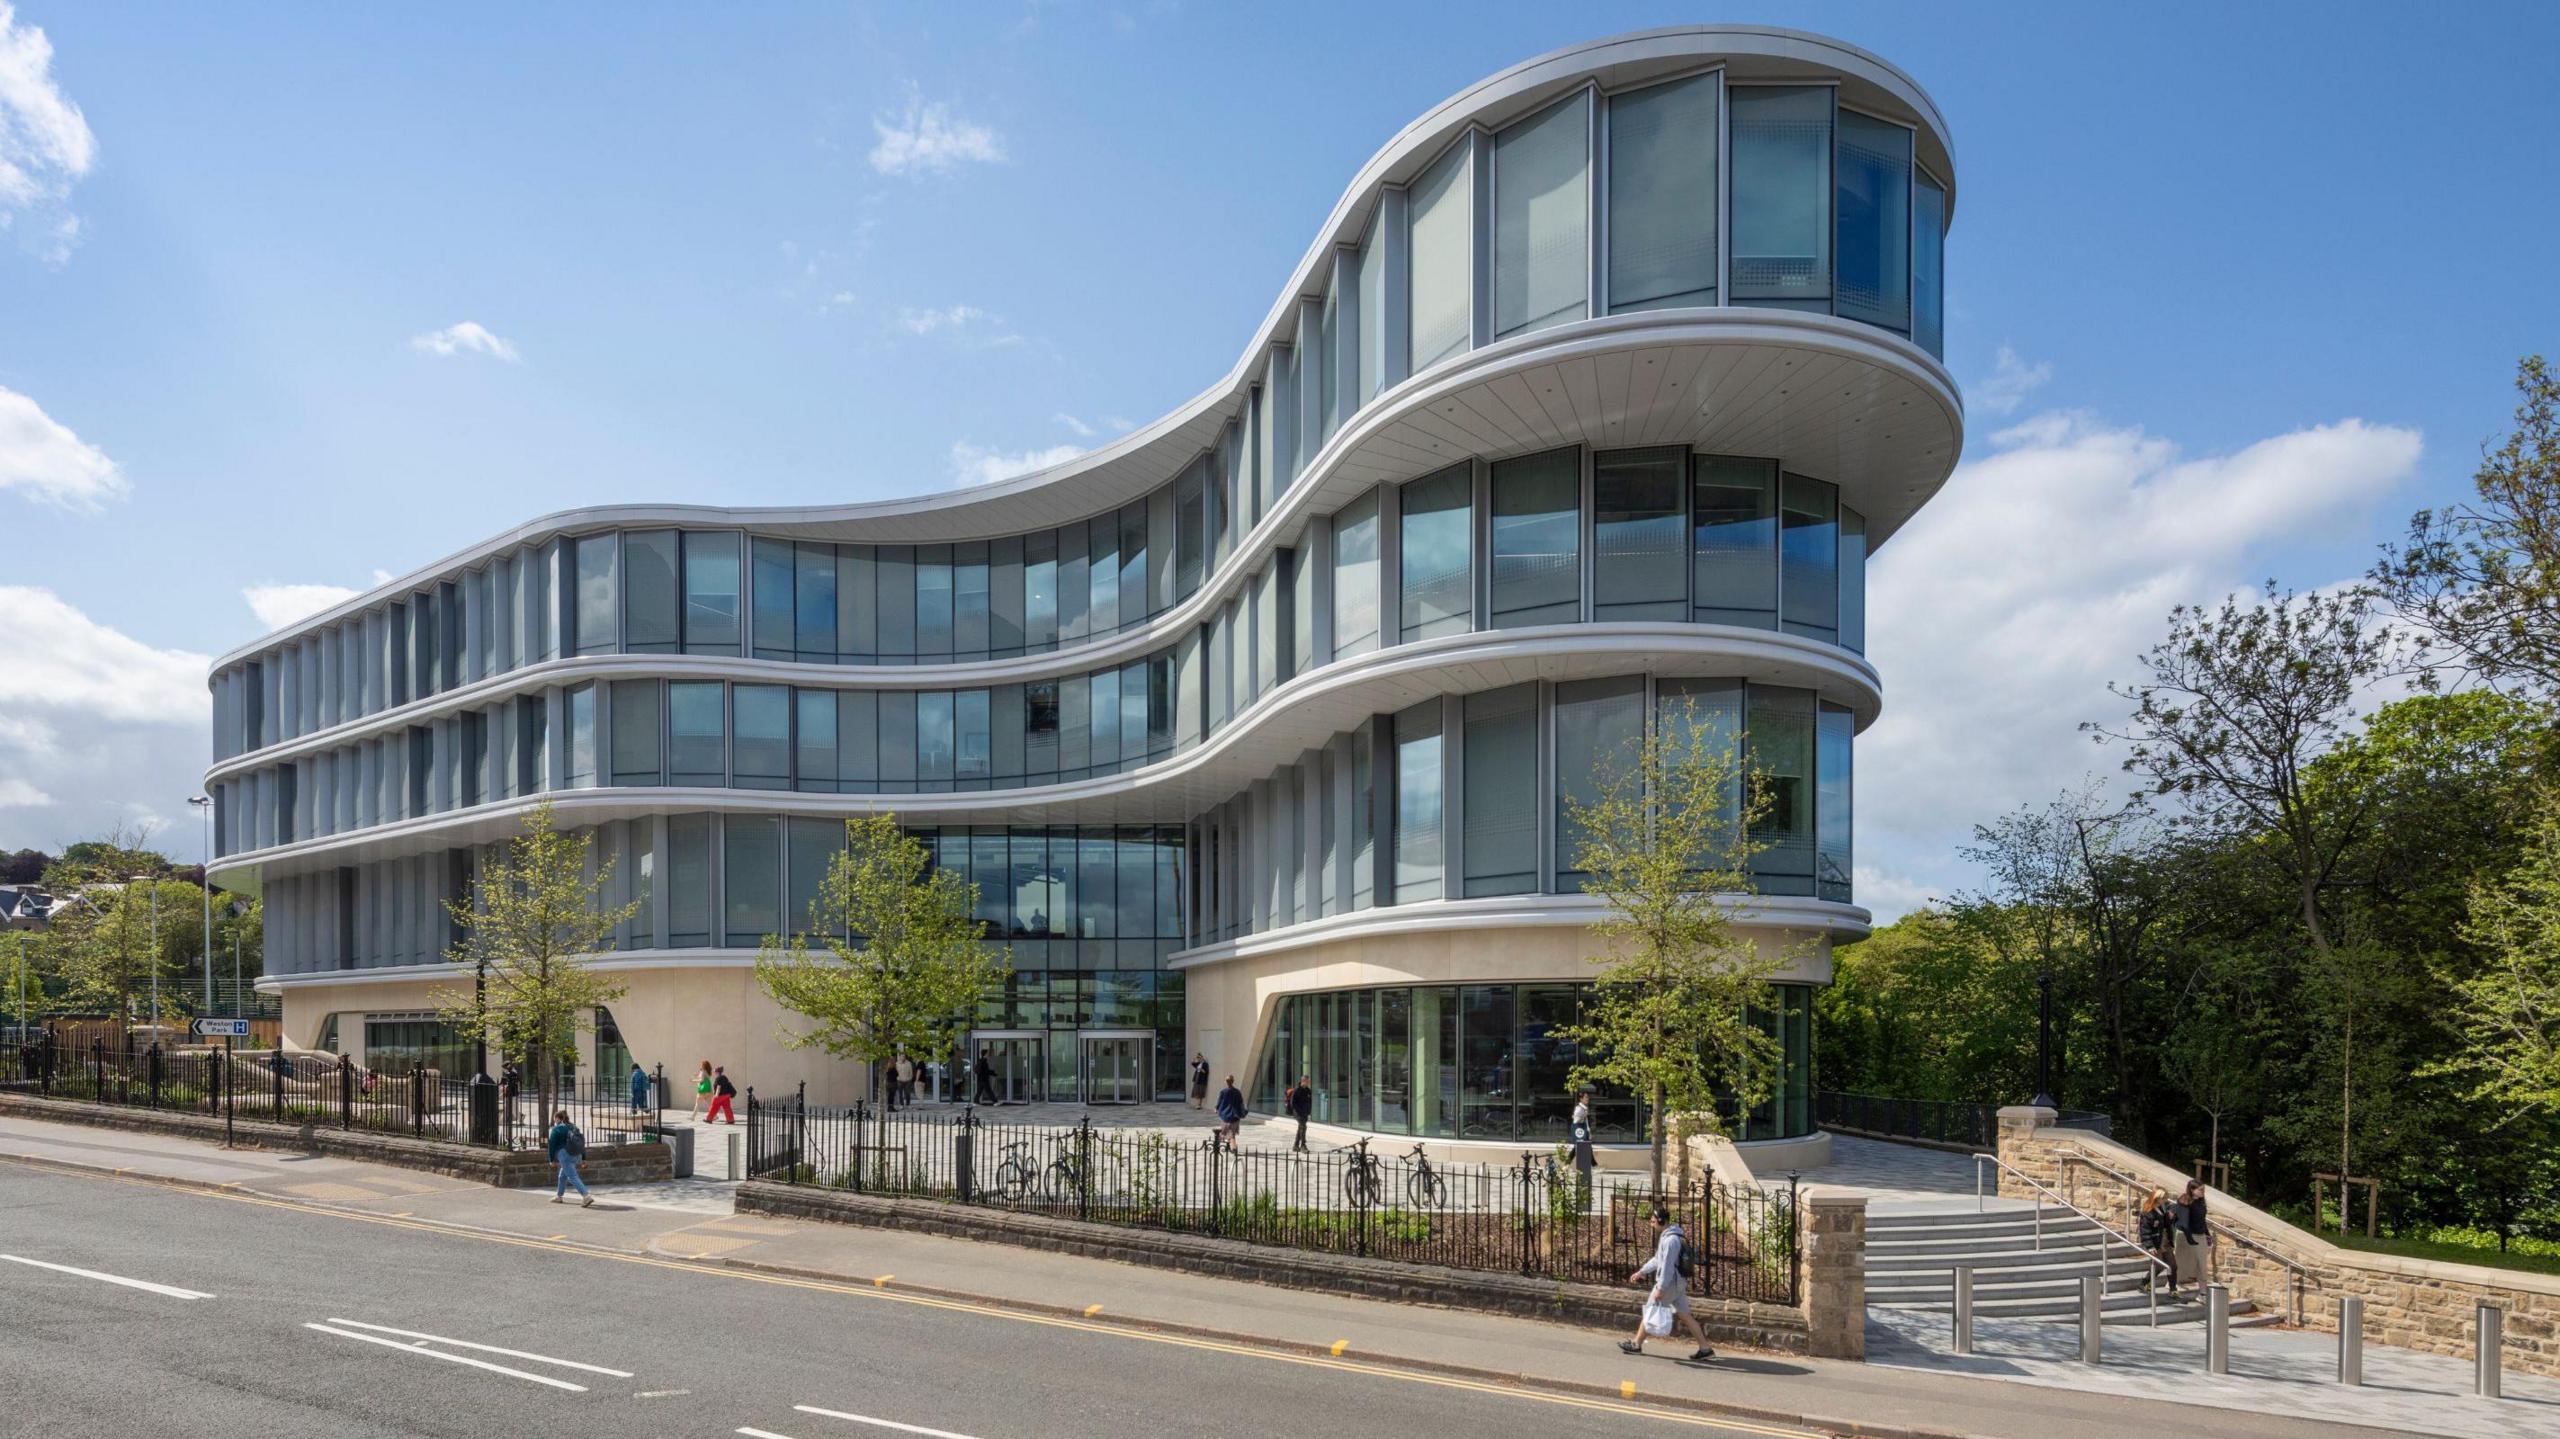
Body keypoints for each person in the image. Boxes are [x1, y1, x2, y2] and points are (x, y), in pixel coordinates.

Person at [1620, 1204, 1713, 1361]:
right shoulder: (1671, 1236)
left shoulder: (1670, 1241)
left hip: (1669, 1284)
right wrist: (1642, 1271)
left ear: (1661, 1221)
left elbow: (1667, 1267)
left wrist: (1661, 1288)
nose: (1651, 1224)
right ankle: (1705, 1348)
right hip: (1678, 1284)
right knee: (1686, 1316)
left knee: (1650, 1309)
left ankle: (1636, 1344)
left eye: (1653, 1221)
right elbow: (1658, 1259)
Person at [546, 1108, 594, 1207]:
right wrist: (584, 1158)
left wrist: (551, 1160)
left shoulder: (557, 1129)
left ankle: (586, 1196)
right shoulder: (574, 1127)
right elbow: (581, 1143)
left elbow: (552, 1145)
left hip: (565, 1155)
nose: (554, 1121)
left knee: (572, 1176)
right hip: (577, 1154)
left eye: (555, 1119)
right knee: (562, 1176)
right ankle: (559, 1196)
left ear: (558, 1118)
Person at [2175, 1178, 2214, 1293]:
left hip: (2199, 1235)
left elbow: (2202, 1220)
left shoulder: (2201, 1202)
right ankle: (2173, 1283)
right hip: (2186, 1235)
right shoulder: (2185, 1201)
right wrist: (2189, 1237)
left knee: (2202, 1264)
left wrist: (2207, 1234)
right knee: (2181, 1261)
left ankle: (2203, 1292)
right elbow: (2183, 1223)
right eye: (2200, 1190)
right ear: (2192, 1189)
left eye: (2203, 1189)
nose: (2203, 1192)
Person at [2137, 1187, 2177, 1296]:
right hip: (2155, 1242)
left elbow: (2167, 1224)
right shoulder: (2148, 1212)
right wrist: (2149, 1245)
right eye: (2163, 1198)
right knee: (2159, 1265)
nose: (2166, 1200)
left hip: (2165, 1241)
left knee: (2172, 1266)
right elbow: (2144, 1230)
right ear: (2157, 1198)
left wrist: (2171, 1217)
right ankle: (2144, 1282)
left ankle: (2173, 1290)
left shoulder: (2163, 1209)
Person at [1569, 1092, 1597, 1207]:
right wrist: (1582, 1117)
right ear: (1581, 1098)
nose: (1588, 1099)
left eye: (1588, 1097)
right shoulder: (1580, 1109)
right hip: (1580, 1132)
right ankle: (1593, 1164)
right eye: (1586, 1097)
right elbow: (1576, 1121)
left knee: (1580, 1148)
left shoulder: (1584, 1108)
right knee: (1582, 1147)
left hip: (1584, 1131)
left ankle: (1568, 1162)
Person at [1214, 1075, 1245, 1146]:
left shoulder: (1223, 1091)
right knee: (1231, 1133)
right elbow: (1241, 1103)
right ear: (1233, 1081)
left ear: (1226, 1082)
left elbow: (1219, 1102)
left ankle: (1231, 1147)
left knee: (1225, 1132)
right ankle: (1231, 1146)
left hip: (1225, 1115)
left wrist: (1216, 1108)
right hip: (1235, 1115)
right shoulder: (1237, 1092)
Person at [1286, 1074, 1314, 1153]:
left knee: (1301, 1128)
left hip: (1305, 1113)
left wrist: (1309, 1112)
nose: (1309, 1082)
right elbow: (1292, 1103)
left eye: (1309, 1081)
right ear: (1303, 1081)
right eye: (1307, 1081)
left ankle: (1295, 1145)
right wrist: (1298, 1112)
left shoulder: (1308, 1090)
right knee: (1303, 1127)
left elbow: (1310, 1102)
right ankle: (1303, 1146)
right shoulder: (1297, 1090)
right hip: (1298, 1113)